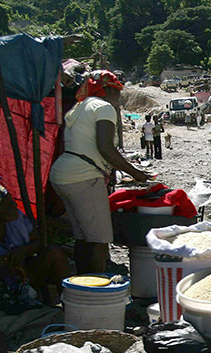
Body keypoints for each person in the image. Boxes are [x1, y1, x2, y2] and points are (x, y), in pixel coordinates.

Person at [49, 70, 150, 274]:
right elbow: (105, 147)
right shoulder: (103, 107)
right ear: (106, 89)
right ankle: (99, 291)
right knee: (100, 239)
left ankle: (83, 283)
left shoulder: (79, 107)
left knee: (83, 236)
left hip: (63, 173)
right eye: (116, 91)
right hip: (83, 177)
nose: (119, 97)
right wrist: (135, 172)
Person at [0, 185, 70, 307]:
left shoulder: (17, 219)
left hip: (23, 277)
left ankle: (70, 304)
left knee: (54, 253)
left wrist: (24, 250)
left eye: (12, 203)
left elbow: (38, 241)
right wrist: (6, 260)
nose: (14, 207)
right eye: (8, 206)